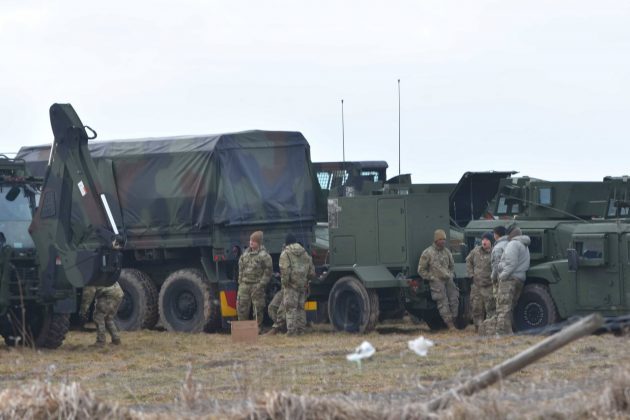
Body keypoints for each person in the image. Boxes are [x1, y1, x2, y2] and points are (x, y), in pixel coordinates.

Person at [417, 229, 458, 330]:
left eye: (444, 239)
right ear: (436, 240)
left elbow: (452, 265)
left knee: (454, 300)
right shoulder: (428, 252)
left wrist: (451, 274)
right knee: (443, 303)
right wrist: (431, 277)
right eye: (440, 239)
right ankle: (450, 325)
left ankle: (454, 320)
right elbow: (421, 270)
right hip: (437, 282)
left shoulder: (447, 251)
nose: (443, 241)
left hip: (448, 280)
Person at [494, 225, 531, 335]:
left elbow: (511, 264)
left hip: (509, 279)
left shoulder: (513, 244)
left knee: (502, 308)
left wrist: (502, 276)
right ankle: (509, 332)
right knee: (510, 307)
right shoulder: (524, 245)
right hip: (520, 279)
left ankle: (500, 334)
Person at [278, 233, 315, 336]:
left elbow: (285, 271)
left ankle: (291, 331)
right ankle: (301, 330)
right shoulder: (305, 253)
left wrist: (284, 283)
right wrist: (306, 280)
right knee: (300, 308)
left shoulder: (285, 253)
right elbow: (312, 272)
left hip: (291, 285)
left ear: (287, 242)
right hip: (302, 285)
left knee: (290, 308)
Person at [237, 230, 273, 333]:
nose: (251, 243)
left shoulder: (264, 256)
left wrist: (262, 284)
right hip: (244, 284)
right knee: (242, 306)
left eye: (254, 241)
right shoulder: (245, 254)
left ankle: (257, 328)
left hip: (257, 285)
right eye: (250, 240)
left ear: (259, 242)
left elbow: (268, 271)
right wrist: (240, 282)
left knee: (258, 308)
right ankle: (242, 329)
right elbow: (241, 268)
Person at [465, 231, 494, 331]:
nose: (484, 241)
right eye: (483, 239)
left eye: (487, 240)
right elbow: (468, 260)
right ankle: (478, 327)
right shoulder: (476, 251)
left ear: (491, 241)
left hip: (489, 285)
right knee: (476, 308)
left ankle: (489, 328)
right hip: (476, 286)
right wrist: (470, 274)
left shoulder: (494, 252)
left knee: (490, 308)